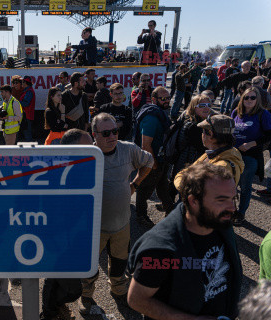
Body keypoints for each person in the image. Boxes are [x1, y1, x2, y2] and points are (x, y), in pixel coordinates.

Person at [128, 162, 243, 320]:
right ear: (193, 201)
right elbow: (136, 300)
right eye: (221, 200)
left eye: (233, 198)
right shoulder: (159, 249)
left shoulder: (219, 222)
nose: (232, 208)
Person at [79, 113, 154, 315]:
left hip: (122, 224)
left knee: (120, 262)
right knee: (89, 266)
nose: (112, 136)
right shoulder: (87, 155)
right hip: (94, 228)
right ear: (94, 134)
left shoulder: (128, 149)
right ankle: (86, 295)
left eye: (115, 131)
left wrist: (135, 184)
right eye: (106, 133)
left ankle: (119, 291)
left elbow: (149, 161)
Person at [39, 129, 92, 320]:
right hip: (56, 241)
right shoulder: (55, 174)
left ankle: (51, 311)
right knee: (73, 289)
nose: (93, 150)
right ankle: (50, 311)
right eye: (88, 147)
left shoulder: (84, 169)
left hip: (72, 240)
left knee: (55, 280)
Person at [134, 87, 174, 227]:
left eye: (168, 97)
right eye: (163, 98)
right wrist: (154, 164)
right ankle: (141, 215)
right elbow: (146, 145)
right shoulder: (151, 117)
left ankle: (170, 210)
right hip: (151, 161)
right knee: (144, 189)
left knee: (163, 186)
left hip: (160, 159)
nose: (167, 100)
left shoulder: (159, 113)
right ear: (154, 99)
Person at [231, 87, 271, 224]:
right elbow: (230, 131)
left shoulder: (263, 114)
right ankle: (231, 211)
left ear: (257, 99)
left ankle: (240, 213)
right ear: (242, 98)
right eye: (246, 97)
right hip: (233, 155)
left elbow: (269, 135)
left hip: (250, 156)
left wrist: (251, 144)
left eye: (252, 97)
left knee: (245, 186)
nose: (249, 100)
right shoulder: (236, 112)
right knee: (231, 185)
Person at [174, 114, 244, 192]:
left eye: (203, 131)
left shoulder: (222, 168)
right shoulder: (217, 153)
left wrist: (179, 178)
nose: (202, 134)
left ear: (210, 134)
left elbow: (193, 190)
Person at [169, 94, 213, 199]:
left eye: (208, 104)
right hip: (188, 164)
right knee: (186, 195)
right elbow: (203, 148)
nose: (206, 108)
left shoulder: (203, 122)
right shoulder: (193, 126)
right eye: (202, 105)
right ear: (194, 107)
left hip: (190, 163)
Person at [19, 76, 36, 141]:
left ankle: (30, 149)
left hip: (27, 115)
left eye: (22, 82)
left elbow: (26, 103)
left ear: (25, 83)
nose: (21, 83)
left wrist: (16, 102)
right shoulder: (28, 90)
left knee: (27, 133)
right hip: (26, 115)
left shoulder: (29, 91)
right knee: (26, 131)